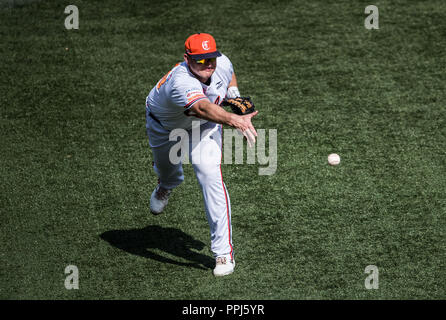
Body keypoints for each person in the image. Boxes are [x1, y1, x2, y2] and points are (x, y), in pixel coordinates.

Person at [145, 33, 258, 276]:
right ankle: (166, 184)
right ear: (187, 59)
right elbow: (202, 107)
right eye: (201, 60)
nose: (208, 65)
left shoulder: (221, 63)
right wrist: (234, 119)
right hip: (165, 127)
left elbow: (228, 72)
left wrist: (233, 94)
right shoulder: (181, 81)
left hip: (203, 128)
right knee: (168, 172)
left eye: (211, 59)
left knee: (210, 176)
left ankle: (223, 253)